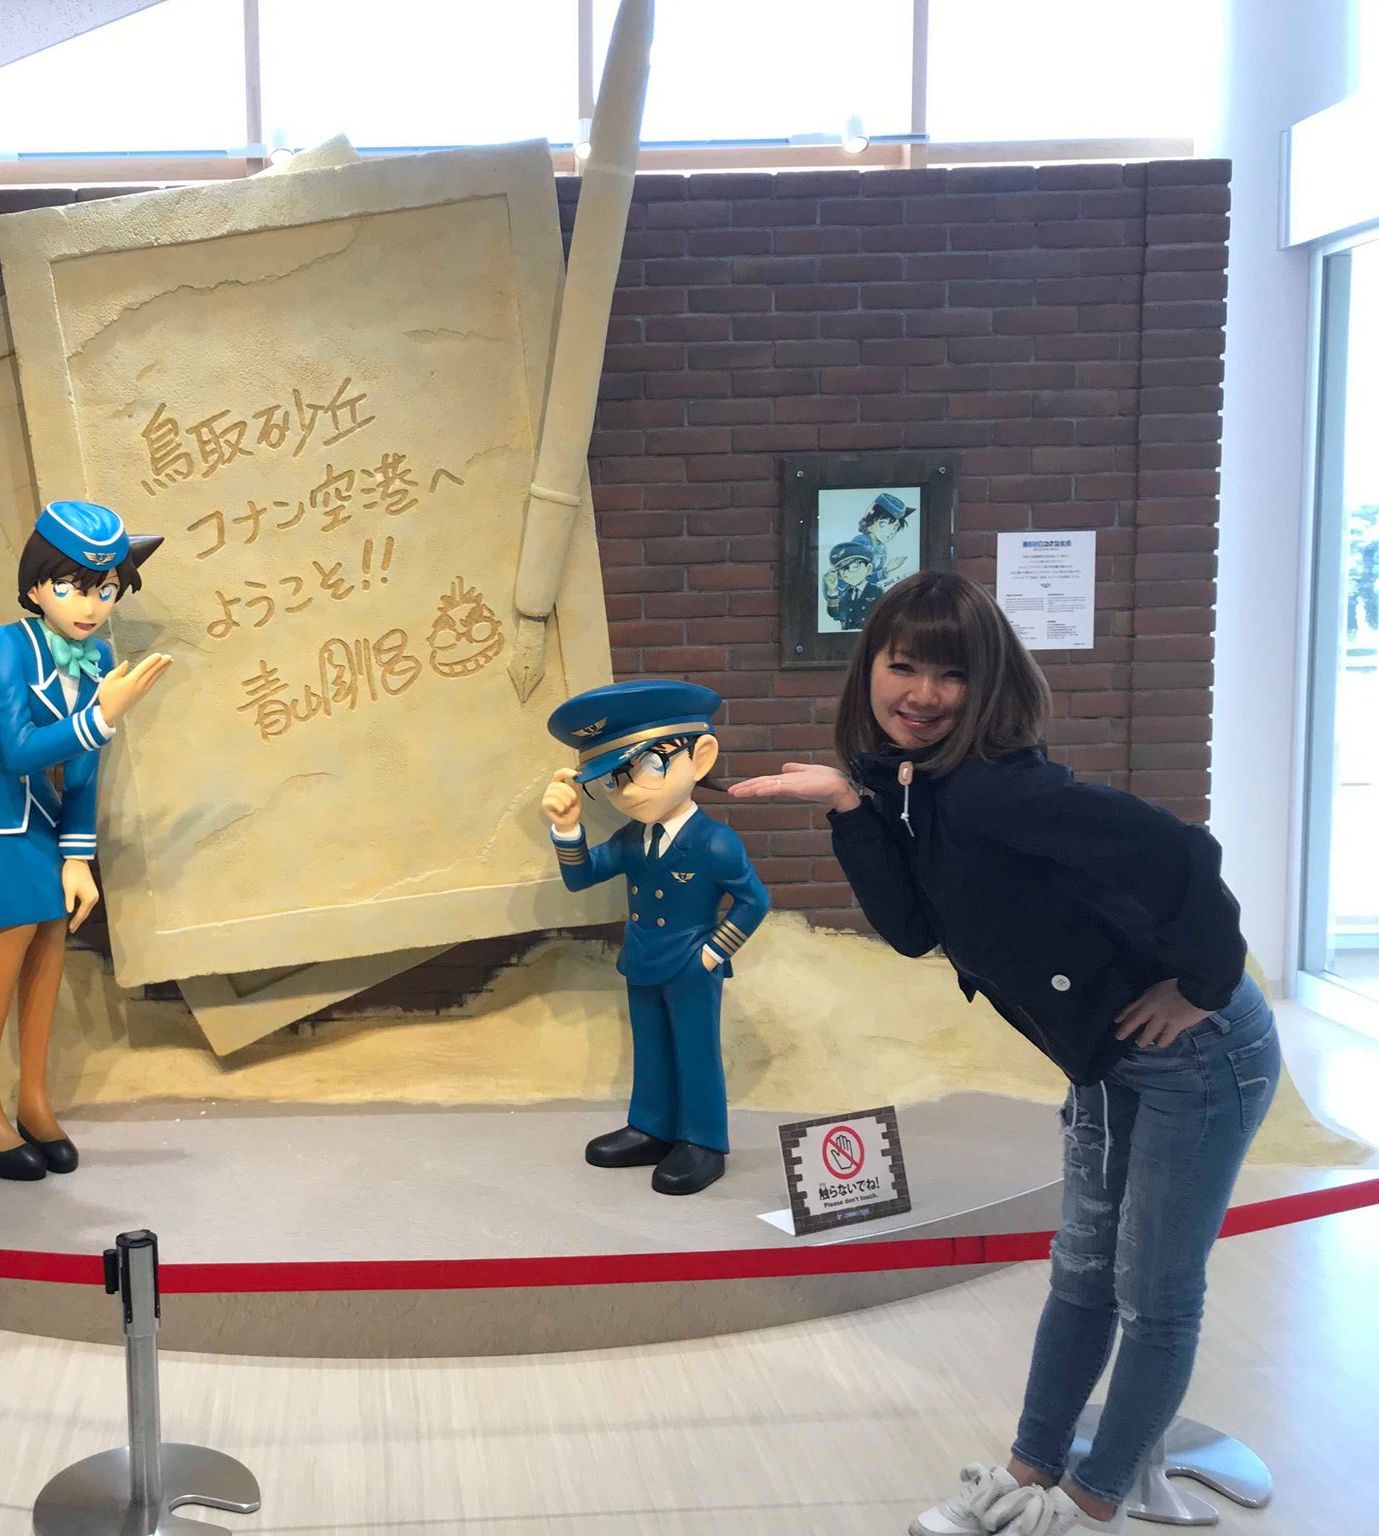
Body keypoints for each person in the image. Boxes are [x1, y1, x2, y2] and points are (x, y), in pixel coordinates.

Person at [731, 571, 1279, 1536]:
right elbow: (911, 930)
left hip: (1199, 1056)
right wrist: (849, 806)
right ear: (871, 667)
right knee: (1084, 1272)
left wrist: (1200, 984)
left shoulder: (997, 790)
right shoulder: (911, 783)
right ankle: (1027, 1475)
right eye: (905, 666)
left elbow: (1183, 854)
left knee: (1154, 1295)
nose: (924, 694)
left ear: (986, 683)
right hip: (1105, 1056)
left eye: (952, 674)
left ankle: (1091, 1504)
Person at [0, 500, 171, 1180]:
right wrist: (101, 716)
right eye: (71, 586)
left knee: (53, 924)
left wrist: (77, 855)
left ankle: (33, 1100)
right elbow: (17, 750)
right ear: (35, 586)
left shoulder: (100, 656)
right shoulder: (4, 647)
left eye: (106, 590)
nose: (90, 606)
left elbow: (84, 766)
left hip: (32, 805)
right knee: (16, 924)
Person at [542, 680, 770, 1196]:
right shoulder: (630, 839)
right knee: (650, 1048)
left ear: (700, 757)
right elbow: (581, 876)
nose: (627, 791)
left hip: (691, 963)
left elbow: (755, 900)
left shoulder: (714, 842)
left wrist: (713, 952)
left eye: (647, 764)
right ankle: (651, 1126)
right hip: (642, 959)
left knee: (696, 1051)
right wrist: (567, 829)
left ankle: (703, 1141)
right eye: (613, 778)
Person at [823, 535, 885, 631]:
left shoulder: (876, 591)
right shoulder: (847, 593)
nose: (846, 573)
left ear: (868, 569)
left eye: (854, 566)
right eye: (841, 570)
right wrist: (832, 590)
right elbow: (834, 613)